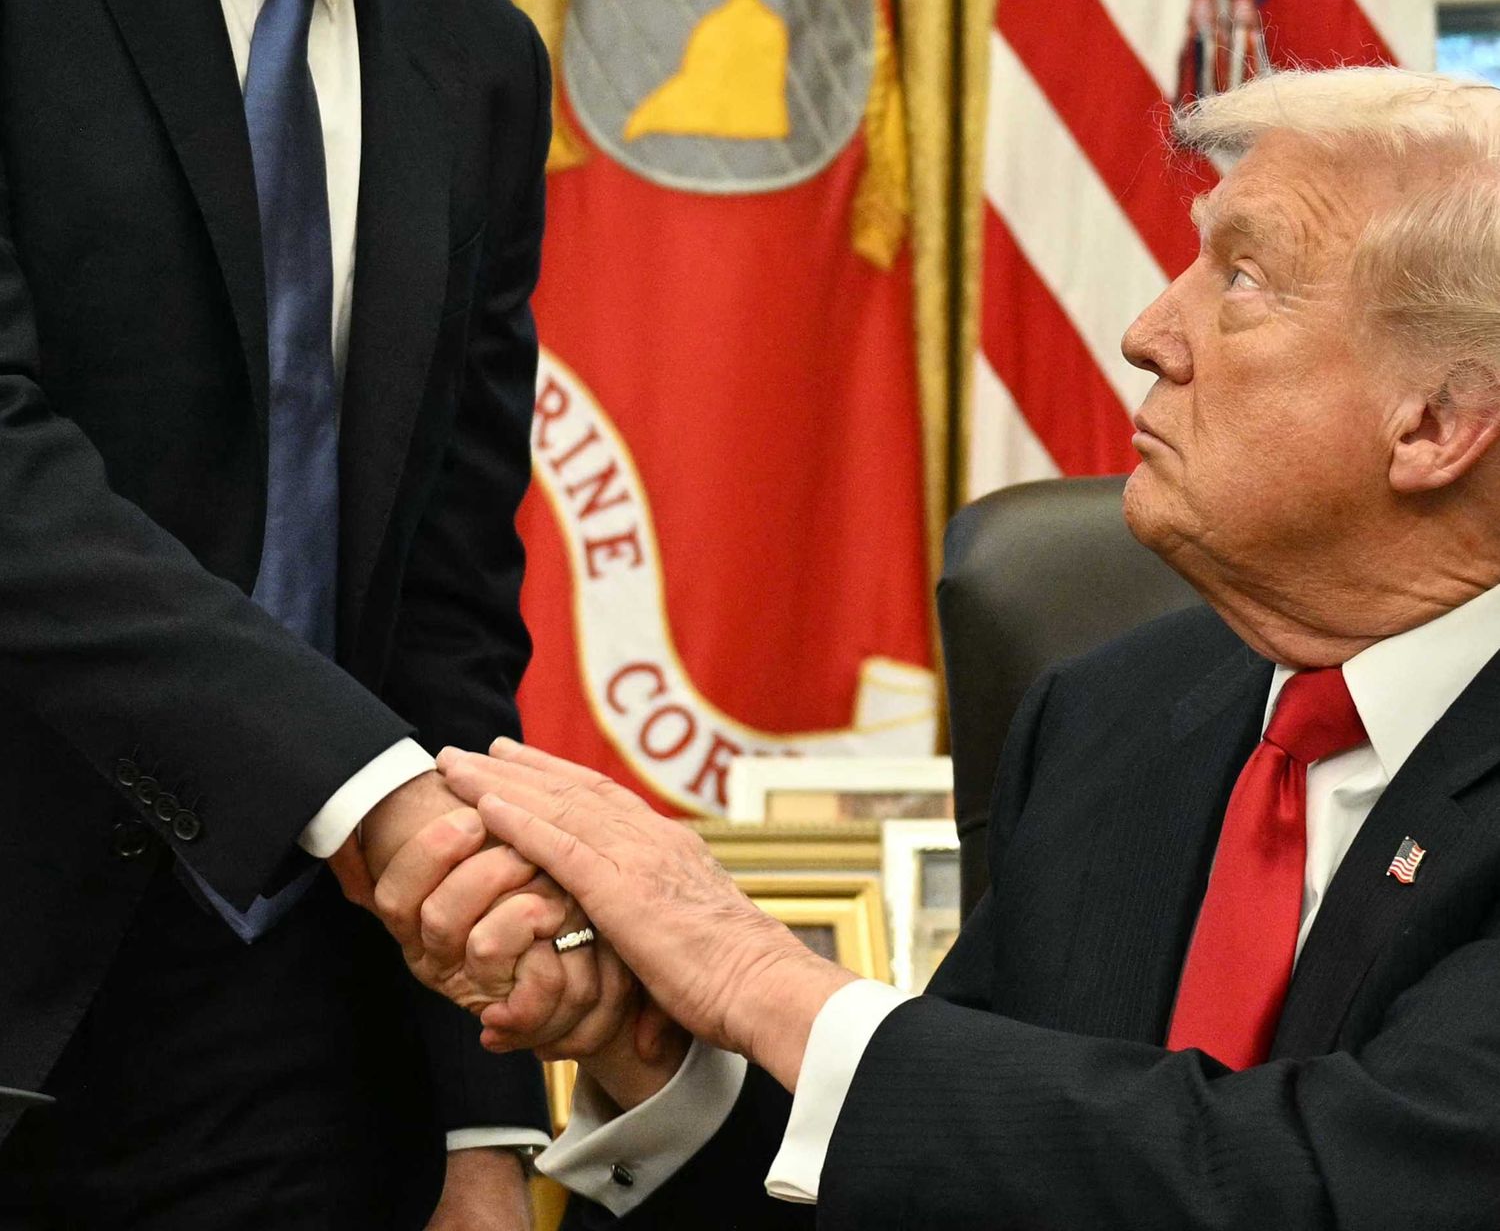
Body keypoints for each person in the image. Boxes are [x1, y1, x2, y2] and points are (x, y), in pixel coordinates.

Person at [0, 0, 713, 1231]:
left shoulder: (475, 62)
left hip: (303, 1069)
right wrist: (366, 796)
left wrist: (480, 1118)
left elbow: (444, 606)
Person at [401, 65, 1500, 1226]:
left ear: (1436, 423)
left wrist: (758, 974)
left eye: (1242, 277)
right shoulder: (1107, 720)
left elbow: (1326, 1187)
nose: (1147, 333)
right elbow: (972, 1176)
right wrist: (660, 1052)